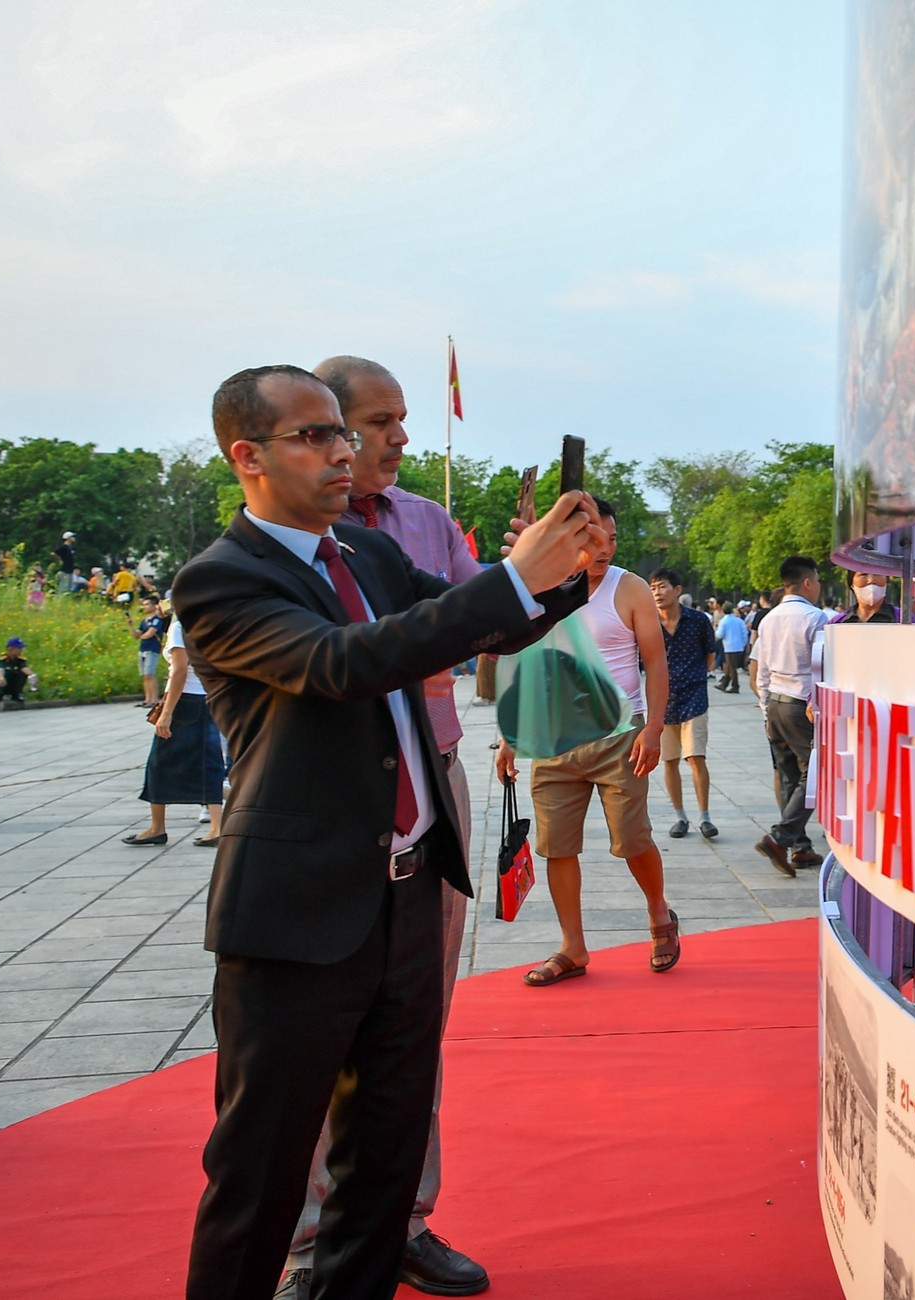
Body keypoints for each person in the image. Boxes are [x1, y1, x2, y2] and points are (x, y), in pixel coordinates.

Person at [174, 364, 602, 1300]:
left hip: (408, 891)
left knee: (387, 1153)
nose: (345, 451)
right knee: (263, 1171)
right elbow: (344, 664)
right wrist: (511, 579)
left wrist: (568, 579)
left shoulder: (365, 556)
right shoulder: (220, 581)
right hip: (299, 911)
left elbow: (468, 629)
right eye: (315, 437)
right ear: (246, 457)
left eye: (343, 432)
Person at [265, 355, 494, 1298]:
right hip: (333, 802)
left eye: (402, 419)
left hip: (431, 783)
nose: (399, 438)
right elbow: (358, 653)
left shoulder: (425, 522)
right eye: (374, 422)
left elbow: (489, 617)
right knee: (321, 1030)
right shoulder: (280, 548)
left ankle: (402, 1217)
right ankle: (315, 1242)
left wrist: (559, 575)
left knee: (415, 1021)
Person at [494, 502, 680, 988]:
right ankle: (572, 947)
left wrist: (654, 728)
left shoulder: (630, 588)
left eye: (612, 540)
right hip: (553, 737)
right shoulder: (543, 588)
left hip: (620, 736)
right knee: (556, 845)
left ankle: (659, 912)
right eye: (594, 538)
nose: (604, 549)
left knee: (632, 839)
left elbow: (655, 664)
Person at [749, 555, 831, 877]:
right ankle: (781, 838)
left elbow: (762, 672)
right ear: (808, 582)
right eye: (819, 581)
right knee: (815, 774)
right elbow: (822, 669)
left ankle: (798, 846)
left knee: (788, 776)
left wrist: (765, 710)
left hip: (777, 704)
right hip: (802, 706)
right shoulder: (816, 618)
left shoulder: (768, 619)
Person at [124, 615, 226, 848]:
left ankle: (157, 827)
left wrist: (167, 712)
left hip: (184, 699)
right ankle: (216, 826)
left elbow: (179, 670)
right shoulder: (210, 622)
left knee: (159, 763)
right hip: (207, 697)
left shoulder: (181, 625)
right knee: (209, 762)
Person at [650, 568, 719, 841]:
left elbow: (710, 654)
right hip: (662, 699)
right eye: (652, 587)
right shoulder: (647, 622)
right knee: (669, 760)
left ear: (677, 590)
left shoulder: (698, 620)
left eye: (662, 586)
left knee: (695, 756)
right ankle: (680, 816)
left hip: (694, 697)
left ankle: (704, 816)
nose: (656, 592)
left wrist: (697, 676)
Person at [133, 595, 167, 706]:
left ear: (154, 605)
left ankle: (154, 699)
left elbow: (149, 634)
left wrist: (142, 635)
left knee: (150, 674)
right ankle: (147, 699)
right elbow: (136, 635)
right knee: (145, 675)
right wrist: (131, 626)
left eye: (147, 604)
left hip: (152, 649)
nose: (145, 607)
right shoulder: (144, 621)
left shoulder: (157, 620)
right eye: (144, 605)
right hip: (143, 648)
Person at [830, 570, 899, 624]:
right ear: (851, 583)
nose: (871, 580)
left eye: (878, 573)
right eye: (863, 574)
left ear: (887, 580)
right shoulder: (837, 622)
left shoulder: (903, 619)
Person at [0, 638, 35, 704]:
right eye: (19, 648)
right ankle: (0, 694)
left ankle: (17, 694)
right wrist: (1, 678)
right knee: (5, 673)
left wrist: (32, 676)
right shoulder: (2, 659)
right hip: (1, 685)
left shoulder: (20, 660)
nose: (21, 651)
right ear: (11, 649)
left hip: (13, 686)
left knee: (21, 673)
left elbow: (24, 668)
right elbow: (0, 669)